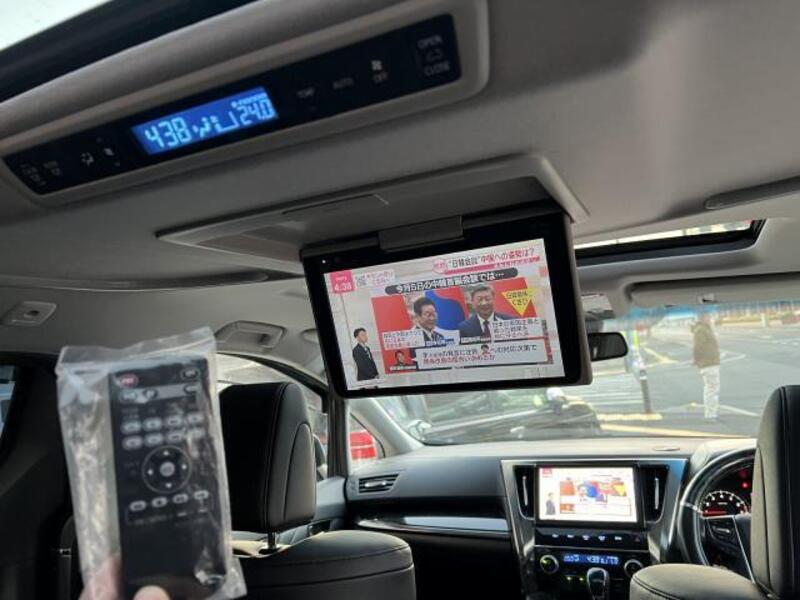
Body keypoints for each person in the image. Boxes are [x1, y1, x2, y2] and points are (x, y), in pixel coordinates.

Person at [692, 312, 720, 419]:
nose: (710, 319)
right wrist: (698, 360)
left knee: (712, 389)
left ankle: (712, 413)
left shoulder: (705, 329)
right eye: (708, 317)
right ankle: (710, 414)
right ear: (702, 318)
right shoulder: (701, 330)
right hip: (708, 363)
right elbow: (697, 347)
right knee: (711, 389)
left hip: (711, 362)